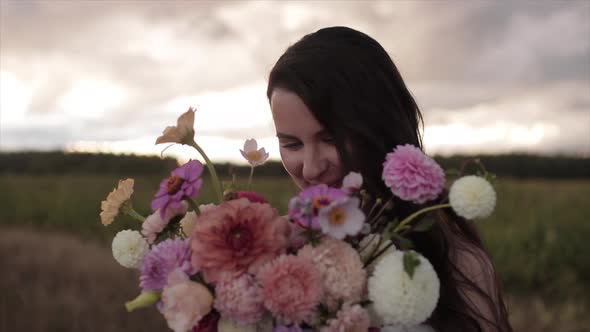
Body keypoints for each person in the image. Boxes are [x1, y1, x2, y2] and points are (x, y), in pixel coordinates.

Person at [267, 26, 513, 332]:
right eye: (292, 144)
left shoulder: (457, 266)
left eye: (331, 138)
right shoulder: (272, 253)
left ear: (377, 129)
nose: (311, 168)